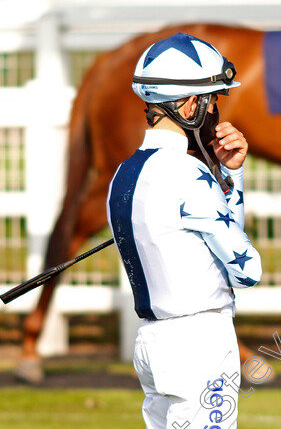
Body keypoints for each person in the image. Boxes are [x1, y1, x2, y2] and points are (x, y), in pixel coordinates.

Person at [107, 32, 262, 429]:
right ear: (192, 104)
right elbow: (246, 271)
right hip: (199, 344)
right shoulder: (188, 174)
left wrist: (229, 172)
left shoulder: (122, 175)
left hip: (152, 345)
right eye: (214, 101)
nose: (215, 112)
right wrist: (234, 180)